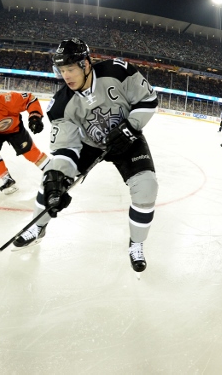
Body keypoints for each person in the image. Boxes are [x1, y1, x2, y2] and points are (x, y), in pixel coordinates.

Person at [14, 38, 159, 276]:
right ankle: (37, 227)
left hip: (127, 136)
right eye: (62, 70)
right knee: (52, 181)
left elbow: (148, 100)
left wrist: (131, 127)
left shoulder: (117, 71)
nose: (66, 76)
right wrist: (58, 177)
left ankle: (137, 244)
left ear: (86, 64)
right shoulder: (60, 105)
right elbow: (66, 148)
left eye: (70, 68)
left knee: (147, 188)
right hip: (89, 145)